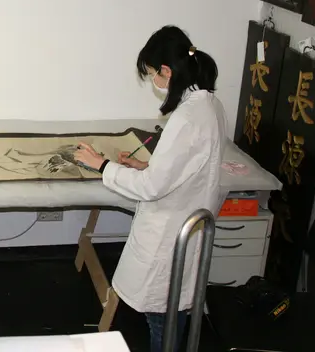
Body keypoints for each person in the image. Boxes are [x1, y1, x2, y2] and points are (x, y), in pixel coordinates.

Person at [74, 25, 228, 352]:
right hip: (184, 227)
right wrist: (146, 165)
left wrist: (101, 164)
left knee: (164, 323)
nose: (154, 83)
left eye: (152, 75)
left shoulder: (188, 116)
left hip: (171, 237)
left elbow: (151, 188)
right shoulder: (209, 105)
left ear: (167, 71)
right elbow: (187, 170)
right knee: (173, 315)